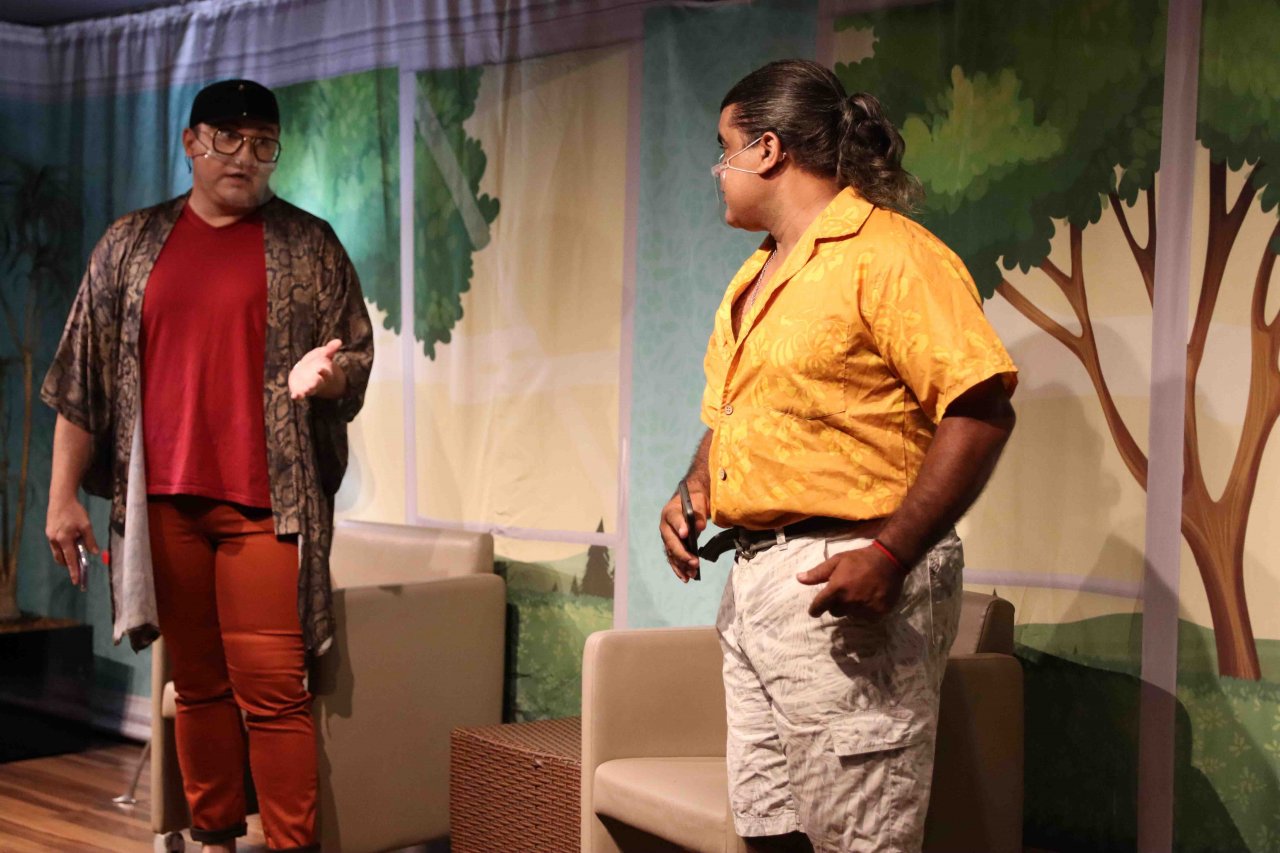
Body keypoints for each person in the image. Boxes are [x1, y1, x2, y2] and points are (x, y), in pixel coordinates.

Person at [658, 60, 1018, 853]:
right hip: (756, 586)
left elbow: (980, 408)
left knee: (860, 839)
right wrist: (694, 489)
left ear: (767, 149)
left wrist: (891, 553)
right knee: (770, 831)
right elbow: (732, 415)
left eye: (723, 148)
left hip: (850, 575)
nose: (717, 170)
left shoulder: (890, 254)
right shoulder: (754, 276)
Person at [42, 79, 373, 853]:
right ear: (191, 142)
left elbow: (353, 355)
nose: (244, 156)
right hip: (164, 503)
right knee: (196, 686)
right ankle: (213, 840)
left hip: (268, 503)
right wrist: (62, 496)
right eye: (227, 138)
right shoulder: (130, 244)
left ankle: (291, 845)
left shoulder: (309, 244)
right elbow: (81, 377)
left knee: (274, 691)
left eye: (262, 144)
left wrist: (329, 376)